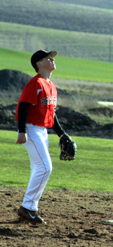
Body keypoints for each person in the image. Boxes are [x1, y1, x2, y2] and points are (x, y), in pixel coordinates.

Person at [15, 50, 67, 224]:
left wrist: (62, 134)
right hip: (30, 129)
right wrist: (21, 131)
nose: (52, 60)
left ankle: (30, 208)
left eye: (51, 57)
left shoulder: (50, 85)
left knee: (39, 168)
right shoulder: (35, 83)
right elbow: (23, 107)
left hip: (42, 131)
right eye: (48, 58)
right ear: (39, 64)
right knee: (45, 167)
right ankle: (27, 207)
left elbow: (52, 115)